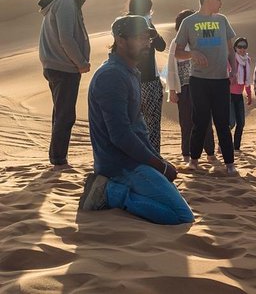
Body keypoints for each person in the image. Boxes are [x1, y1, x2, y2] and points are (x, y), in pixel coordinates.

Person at [78, 15, 194, 225]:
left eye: (148, 38)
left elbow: (136, 129)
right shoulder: (111, 76)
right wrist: (159, 166)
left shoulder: (128, 71)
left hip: (135, 161)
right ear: (120, 41)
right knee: (181, 216)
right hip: (121, 167)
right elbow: (120, 135)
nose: (147, 44)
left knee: (174, 204)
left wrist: (158, 162)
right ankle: (108, 192)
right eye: (140, 38)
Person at [38, 0, 97, 171]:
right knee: (65, 115)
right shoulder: (65, 3)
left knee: (61, 113)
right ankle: (58, 159)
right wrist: (80, 62)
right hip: (64, 67)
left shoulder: (61, 1)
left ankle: (57, 156)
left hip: (57, 65)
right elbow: (66, 38)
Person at [175, 0, 238, 175]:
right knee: (200, 121)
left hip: (220, 80)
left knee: (222, 122)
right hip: (199, 80)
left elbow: (230, 50)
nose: (221, 2)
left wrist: (234, 70)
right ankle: (193, 161)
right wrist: (192, 53)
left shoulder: (222, 20)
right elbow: (177, 52)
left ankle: (230, 164)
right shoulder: (188, 22)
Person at [166, 9, 216, 162]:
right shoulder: (176, 42)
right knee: (186, 121)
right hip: (185, 88)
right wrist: (172, 91)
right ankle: (186, 154)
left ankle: (210, 153)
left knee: (206, 120)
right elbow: (171, 67)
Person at [127, 0, 166, 153]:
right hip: (148, 81)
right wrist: (149, 23)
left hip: (128, 80)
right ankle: (153, 156)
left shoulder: (123, 24)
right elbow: (161, 45)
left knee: (131, 123)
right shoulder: (145, 23)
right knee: (152, 124)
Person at [229, 37, 253, 151]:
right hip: (228, 95)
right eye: (240, 47)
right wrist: (230, 77)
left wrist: (249, 94)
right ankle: (223, 144)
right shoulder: (231, 58)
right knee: (231, 123)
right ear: (235, 48)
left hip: (239, 95)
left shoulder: (247, 60)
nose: (242, 49)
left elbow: (247, 79)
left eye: (244, 46)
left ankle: (236, 148)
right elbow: (225, 71)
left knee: (241, 123)